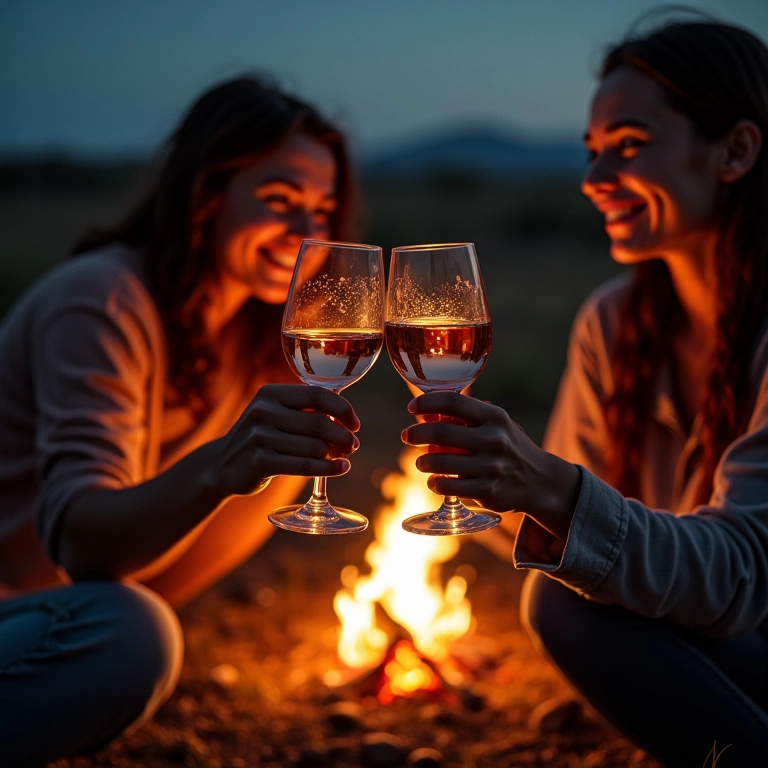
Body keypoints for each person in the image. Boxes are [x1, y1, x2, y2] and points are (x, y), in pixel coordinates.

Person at [400, 18, 768, 767]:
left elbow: (745, 576)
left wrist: (554, 493)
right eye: (593, 151)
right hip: (719, 641)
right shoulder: (614, 320)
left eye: (629, 147)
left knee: (564, 603)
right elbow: (585, 534)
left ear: (734, 151)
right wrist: (499, 487)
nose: (595, 179)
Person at [0, 75, 365, 766]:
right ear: (206, 197)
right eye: (280, 201)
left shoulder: (260, 338)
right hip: (23, 605)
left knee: (282, 466)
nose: (308, 233)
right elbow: (82, 544)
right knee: (133, 633)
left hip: (62, 616)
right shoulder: (102, 299)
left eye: (323, 209)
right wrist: (221, 467)